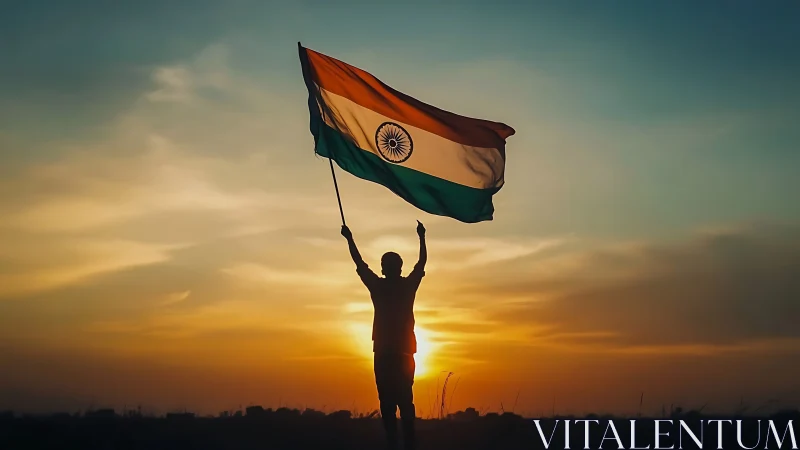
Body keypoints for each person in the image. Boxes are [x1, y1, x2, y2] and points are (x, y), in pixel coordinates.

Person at [341, 220, 427, 450]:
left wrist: (350, 240)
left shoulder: (380, 288)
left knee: (389, 403)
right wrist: (421, 237)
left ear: (385, 268)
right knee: (402, 402)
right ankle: (406, 443)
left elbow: (360, 264)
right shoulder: (406, 286)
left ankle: (396, 443)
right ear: (398, 267)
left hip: (388, 353)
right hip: (399, 352)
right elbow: (421, 264)